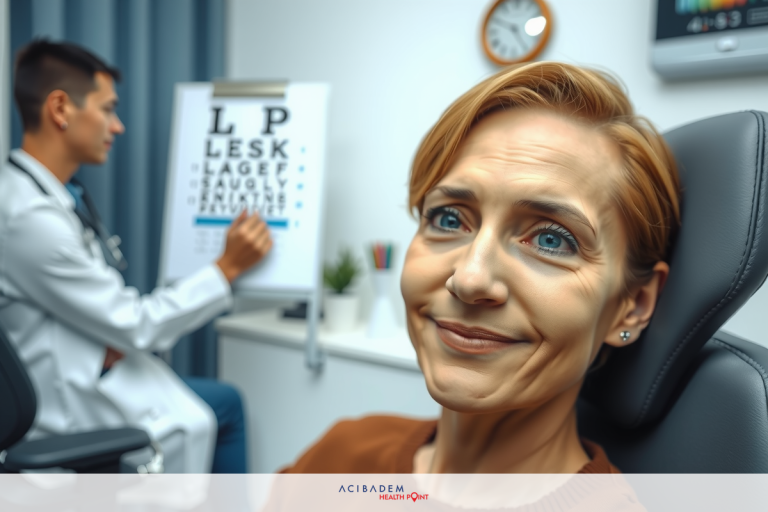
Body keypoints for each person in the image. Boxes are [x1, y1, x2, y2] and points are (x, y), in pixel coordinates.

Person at [281, 62, 680, 483]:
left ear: (632, 306)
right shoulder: (342, 455)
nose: (469, 280)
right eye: (449, 219)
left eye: (551, 240)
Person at [0, 40, 272, 473]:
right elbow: (139, 324)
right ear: (61, 109)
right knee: (212, 414)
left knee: (223, 402)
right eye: (108, 109)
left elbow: (112, 318)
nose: (118, 125)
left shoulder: (46, 196)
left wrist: (115, 332)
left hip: (92, 369)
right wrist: (227, 268)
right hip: (65, 406)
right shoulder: (29, 218)